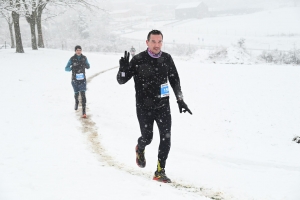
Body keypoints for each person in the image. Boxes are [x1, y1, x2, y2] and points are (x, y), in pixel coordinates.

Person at [116, 30, 192, 183]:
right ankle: (140, 147)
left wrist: (180, 99)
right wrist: (123, 70)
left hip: (163, 106)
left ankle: (159, 171)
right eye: (153, 42)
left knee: (166, 138)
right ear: (147, 42)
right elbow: (121, 81)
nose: (157, 45)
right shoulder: (138, 59)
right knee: (147, 137)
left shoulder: (167, 58)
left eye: (159, 42)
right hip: (144, 107)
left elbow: (174, 80)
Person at [65, 45, 90, 118]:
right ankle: (76, 102)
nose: (79, 51)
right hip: (74, 79)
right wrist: (71, 67)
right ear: (75, 51)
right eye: (77, 50)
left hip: (82, 80)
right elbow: (66, 68)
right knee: (76, 94)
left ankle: (84, 112)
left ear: (81, 50)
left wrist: (86, 65)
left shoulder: (84, 58)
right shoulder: (72, 59)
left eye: (80, 50)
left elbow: (88, 66)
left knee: (83, 95)